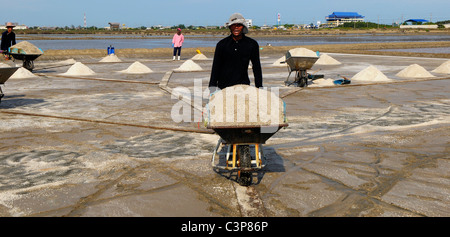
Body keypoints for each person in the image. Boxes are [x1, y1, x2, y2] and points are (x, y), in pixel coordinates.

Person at [208, 13, 262, 90]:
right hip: (224, 86)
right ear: (230, 27)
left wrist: (259, 86)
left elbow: (256, 66)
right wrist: (212, 87)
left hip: (243, 85)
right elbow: (216, 66)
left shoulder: (251, 44)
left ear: (243, 27)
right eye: (233, 25)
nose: (236, 28)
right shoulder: (222, 44)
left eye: (239, 25)